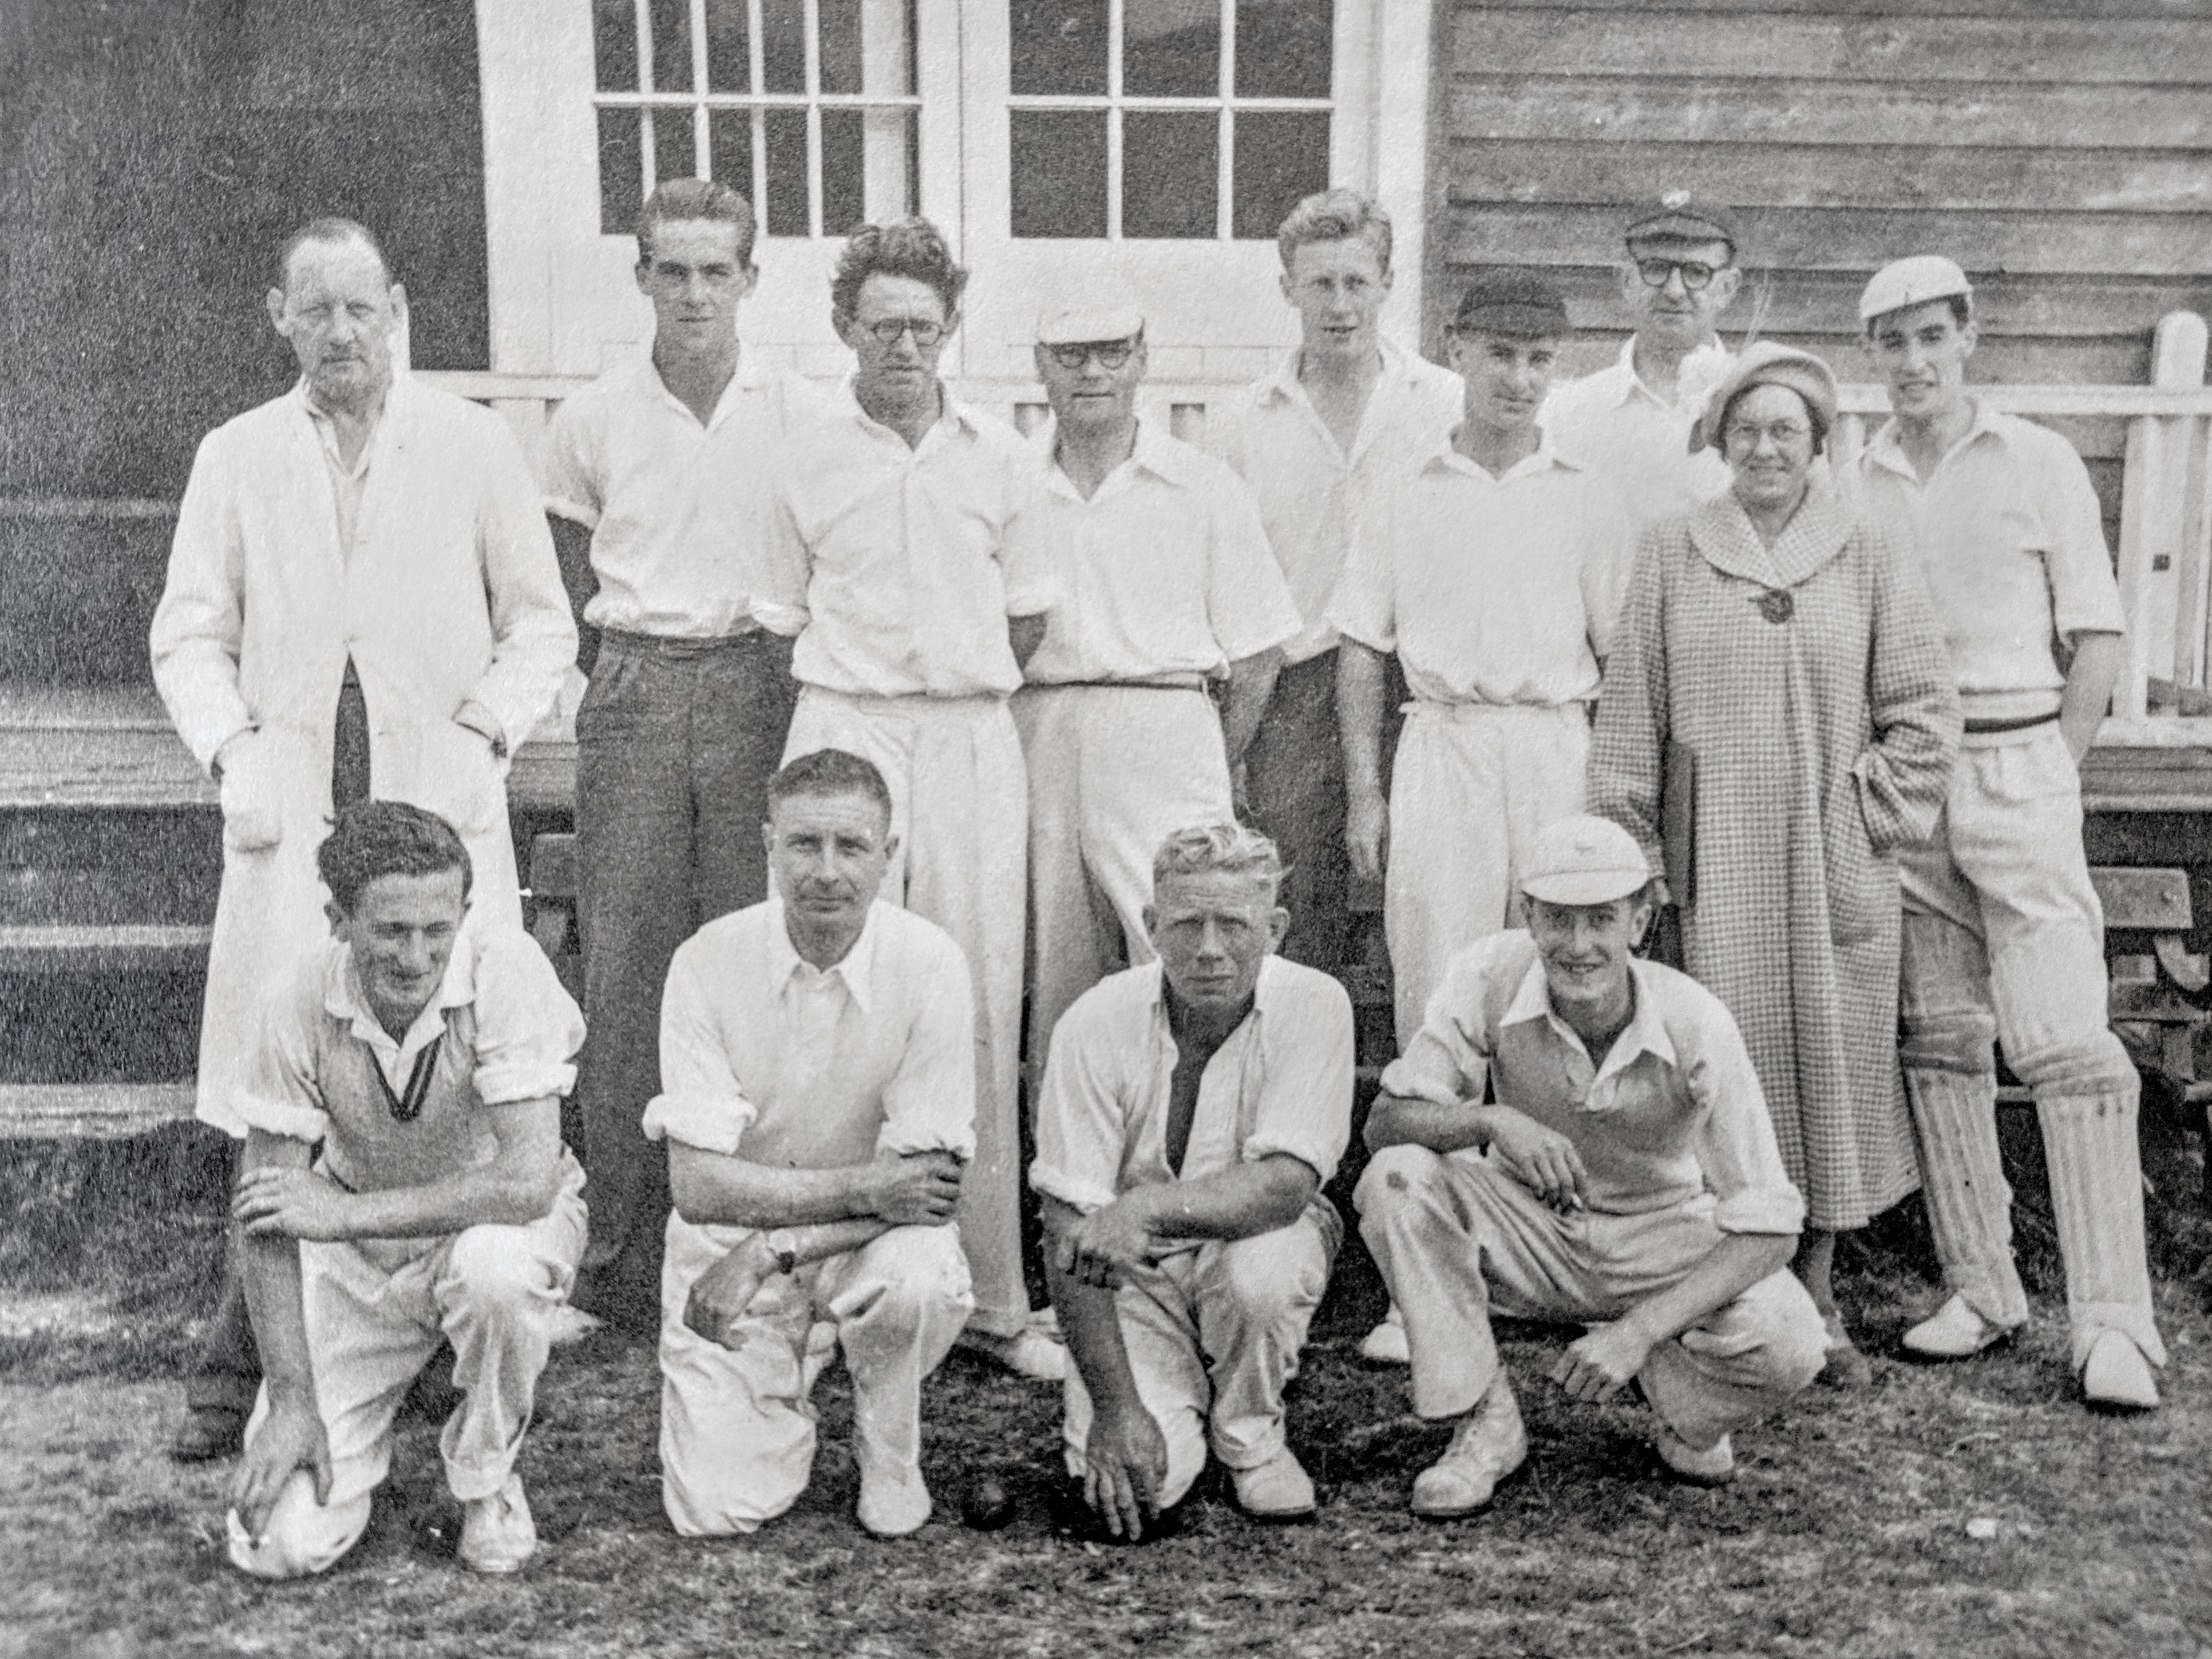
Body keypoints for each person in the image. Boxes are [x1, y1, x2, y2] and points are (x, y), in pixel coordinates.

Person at [152, 219, 575, 1460]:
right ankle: (238, 1366)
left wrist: (486, 733)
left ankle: (456, 1335)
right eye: (315, 309)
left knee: (448, 1065)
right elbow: (187, 633)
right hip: (294, 810)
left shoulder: (471, 443)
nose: (342, 333)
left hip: (433, 812)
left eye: (362, 309)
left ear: (396, 308)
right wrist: (233, 750)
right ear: (277, 314)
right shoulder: (236, 455)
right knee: (273, 1080)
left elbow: (541, 624)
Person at [1588, 342, 1960, 1384]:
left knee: (1828, 1064)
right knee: (1726, 1067)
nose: (1763, 448)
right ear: (1719, 440)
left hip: (1829, 857)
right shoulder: (1674, 546)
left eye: (1784, 431)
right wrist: (1638, 856)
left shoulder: (1871, 544)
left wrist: (1858, 815)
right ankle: (1735, 1287)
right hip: (1716, 861)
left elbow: (1926, 710)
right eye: (1745, 429)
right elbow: (1629, 717)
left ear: (1818, 444)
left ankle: (1826, 1291)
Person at [1852, 255, 2166, 1408]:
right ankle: (1981, 1288)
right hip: (1913, 771)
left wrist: (2054, 776)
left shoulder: (2035, 460)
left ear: (1967, 335)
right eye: (1891, 344)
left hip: (2022, 758)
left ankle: (2115, 1324)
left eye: (1931, 337)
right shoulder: (1862, 472)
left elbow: (2095, 638)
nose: (1913, 362)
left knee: (2064, 1042)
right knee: (1939, 1036)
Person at [753, 218, 1063, 1381]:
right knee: (833, 993)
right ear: (845, 329)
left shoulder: (1001, 456)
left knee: (973, 1001)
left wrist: (952, 689)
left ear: (949, 332)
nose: (902, 347)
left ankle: (988, 1297)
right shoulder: (802, 455)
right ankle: (825, 1291)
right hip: (845, 722)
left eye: (922, 328)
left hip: (971, 735)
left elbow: (1026, 616)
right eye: (880, 326)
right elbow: (781, 614)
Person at [1356, 815, 1827, 1517]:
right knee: (1395, 1178)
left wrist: (1637, 1334)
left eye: (1601, 920)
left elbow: (1771, 1227)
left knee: (1793, 1338)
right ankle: (1485, 1422)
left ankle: (1681, 1406)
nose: (1578, 947)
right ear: (1528, 916)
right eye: (1557, 920)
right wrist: (1492, 1119)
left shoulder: (1694, 1019)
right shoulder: (1489, 971)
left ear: (1640, 921)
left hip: (1659, 1234)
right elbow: (1384, 1123)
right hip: (1530, 1230)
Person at [543, 179, 818, 1331]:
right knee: (629, 965)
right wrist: (629, 671)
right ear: (642, 276)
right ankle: (621, 1245)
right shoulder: (594, 416)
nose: (695, 291)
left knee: (752, 956)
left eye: (718, 270)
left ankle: (748, 1234)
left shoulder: (803, 410)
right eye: (673, 269)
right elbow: (565, 580)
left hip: (763, 684)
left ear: (752, 280)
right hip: (642, 686)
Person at [223, 801, 587, 1579]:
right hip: (359, 1262)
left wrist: (345, 1210)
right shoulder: (296, 995)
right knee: (277, 1545)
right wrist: (291, 1396)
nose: (417, 957)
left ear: (464, 909)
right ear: (339, 917)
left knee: (499, 1270)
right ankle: (367, 1432)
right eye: (389, 930)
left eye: (437, 928)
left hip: (487, 1232)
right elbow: (266, 1212)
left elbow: (528, 1180)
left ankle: (486, 1476)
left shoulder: (508, 966)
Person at [647, 749, 979, 1538]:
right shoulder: (705, 959)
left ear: (888, 855)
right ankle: (787, 1367)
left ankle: (887, 1440)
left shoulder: (930, 962)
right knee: (713, 1509)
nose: (826, 871)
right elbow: (698, 1186)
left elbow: (926, 1189)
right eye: (803, 844)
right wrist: (865, 1190)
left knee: (918, 1276)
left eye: (852, 846)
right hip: (730, 1242)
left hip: (855, 1246)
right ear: (768, 845)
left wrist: (777, 1245)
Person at [1332, 268, 1635, 1053]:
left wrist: (1618, 796)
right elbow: (1363, 645)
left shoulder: (1587, 493)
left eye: (1539, 359)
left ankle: (1548, 1160)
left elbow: (1625, 662)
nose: (1520, 378)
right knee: (1439, 968)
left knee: (1560, 960)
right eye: (1500, 354)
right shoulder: (1403, 488)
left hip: (1555, 748)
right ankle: (1440, 1160)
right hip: (1444, 744)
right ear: (1456, 350)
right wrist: (1365, 793)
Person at [1009, 294, 1301, 1086]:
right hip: (1040, 723)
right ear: (1039, 366)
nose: (1093, 371)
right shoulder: (1006, 480)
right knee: (1055, 966)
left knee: (1187, 952)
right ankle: (1070, 1183)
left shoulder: (1202, 484)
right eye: (1071, 355)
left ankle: (1198, 1164)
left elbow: (1259, 655)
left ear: (1141, 358)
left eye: (1111, 351)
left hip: (1165, 722)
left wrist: (1204, 751)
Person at [1032, 823, 1354, 1541]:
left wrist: (1143, 1207)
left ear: (1273, 928)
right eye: (1186, 924)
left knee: (1260, 1273)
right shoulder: (1092, 1022)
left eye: (1233, 925)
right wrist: (1117, 1411)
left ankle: (1252, 1435)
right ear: (1151, 925)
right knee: (1140, 1488)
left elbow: (1283, 1188)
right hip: (1131, 1276)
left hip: (1255, 1242)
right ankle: (1171, 1397)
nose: (1209, 949)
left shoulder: (1315, 1003)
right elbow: (1067, 1225)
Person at [1208, 189, 1462, 969]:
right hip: (1296, 690)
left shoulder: (1444, 404)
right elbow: (1223, 577)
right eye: (1320, 284)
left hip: (1420, 684)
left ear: (1387, 284)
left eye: (1357, 283)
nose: (1341, 305)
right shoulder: (1244, 420)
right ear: (1288, 290)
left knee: (1434, 901)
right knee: (1298, 906)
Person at [1542, 193, 1740, 529]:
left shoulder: (1763, 407)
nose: (1675, 291)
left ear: (1728, 288)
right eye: (1656, 269)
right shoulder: (1570, 414)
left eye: (1696, 272)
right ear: (1626, 282)